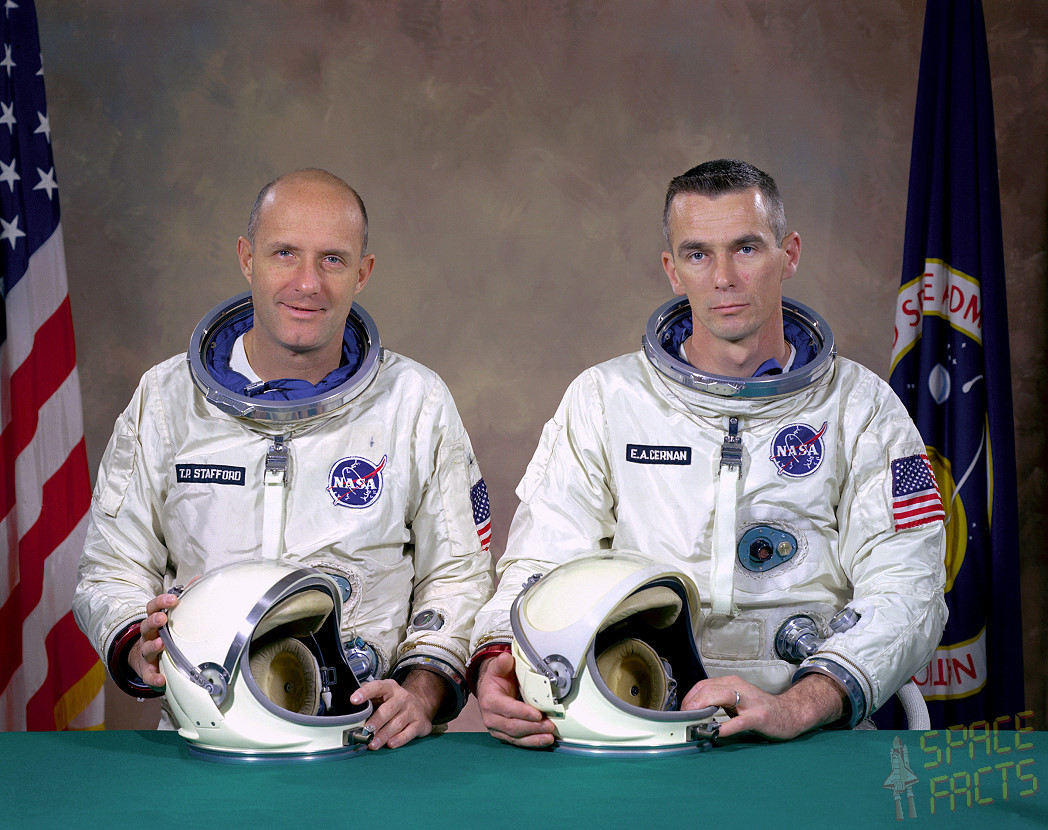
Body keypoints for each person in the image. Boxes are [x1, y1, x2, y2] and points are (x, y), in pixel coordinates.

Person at [468, 159, 947, 747]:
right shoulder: (606, 400)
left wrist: (799, 705)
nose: (724, 278)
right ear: (673, 270)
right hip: (638, 713)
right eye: (698, 254)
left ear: (789, 255)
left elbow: (909, 587)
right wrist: (500, 659)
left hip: (809, 726)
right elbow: (540, 567)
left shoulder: (860, 407)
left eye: (746, 248)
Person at [74, 168, 493, 750]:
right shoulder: (167, 400)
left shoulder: (414, 402)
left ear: (363, 272)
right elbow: (110, 569)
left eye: (332, 259)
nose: (307, 283)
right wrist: (133, 639)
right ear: (248, 259)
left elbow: (458, 573)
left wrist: (421, 691)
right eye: (284, 253)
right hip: (207, 737)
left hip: (368, 740)